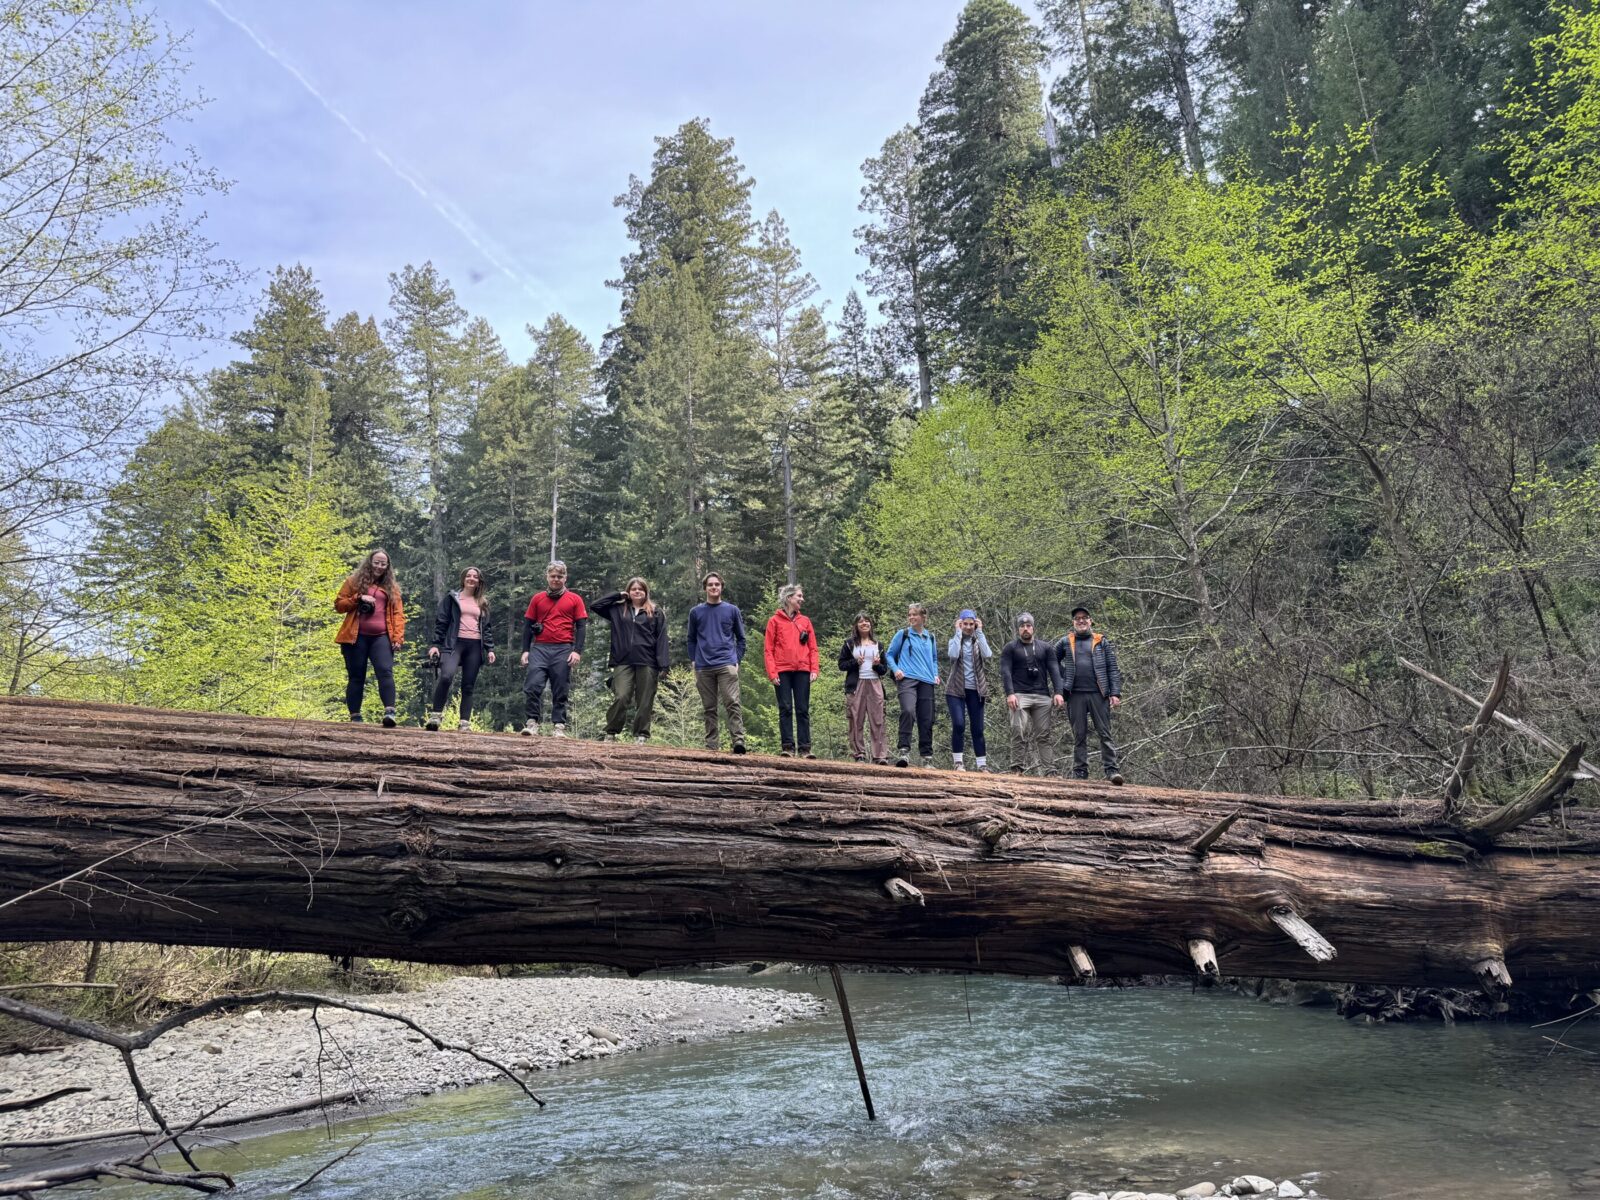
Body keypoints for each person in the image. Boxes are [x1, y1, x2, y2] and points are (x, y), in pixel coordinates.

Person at [592, 577, 669, 743]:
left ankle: (641, 734)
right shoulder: (618, 610)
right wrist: (617, 595)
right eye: (633, 589)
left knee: (645, 699)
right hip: (623, 660)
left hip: (647, 661)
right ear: (628, 591)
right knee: (621, 696)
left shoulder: (655, 611)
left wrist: (663, 664)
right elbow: (596, 606)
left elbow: (662, 638)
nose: (637, 592)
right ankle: (611, 732)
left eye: (640, 589)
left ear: (646, 592)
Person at [1055, 603, 1125, 784]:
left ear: (1090, 621)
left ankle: (1112, 771)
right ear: (1073, 622)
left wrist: (1115, 693)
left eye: (1084, 618)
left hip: (1099, 694)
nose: (1081, 621)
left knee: (1104, 733)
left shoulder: (1102, 641)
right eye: (1077, 619)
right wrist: (1063, 678)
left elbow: (1113, 668)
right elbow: (1051, 662)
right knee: (1079, 735)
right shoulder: (1065, 642)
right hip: (1075, 694)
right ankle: (1080, 773)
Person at [334, 549, 405, 726]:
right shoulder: (353, 582)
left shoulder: (392, 588)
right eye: (376, 562)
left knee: (385, 671)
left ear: (387, 566)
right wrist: (358, 598)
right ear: (369, 562)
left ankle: (390, 712)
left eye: (383, 563)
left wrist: (397, 637)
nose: (379, 566)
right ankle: (355, 716)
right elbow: (339, 605)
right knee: (356, 676)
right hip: (355, 637)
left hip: (381, 637)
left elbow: (398, 614)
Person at [519, 561, 587, 737]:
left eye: (560, 576)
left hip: (563, 648)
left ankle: (559, 725)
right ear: (547, 577)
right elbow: (527, 626)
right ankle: (532, 723)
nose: (556, 579)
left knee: (560, 688)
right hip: (540, 647)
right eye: (553, 576)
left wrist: (577, 651)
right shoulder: (538, 598)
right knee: (533, 685)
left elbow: (581, 626)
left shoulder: (575, 599)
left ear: (565, 577)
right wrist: (525, 650)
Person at [425, 567, 496, 730]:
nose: (471, 579)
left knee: (468, 685)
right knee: (446, 677)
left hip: (475, 645)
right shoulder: (452, 598)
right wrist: (435, 645)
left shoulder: (482, 602)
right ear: (463, 579)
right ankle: (435, 717)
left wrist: (490, 648)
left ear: (479, 581)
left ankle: (464, 723)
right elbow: (441, 622)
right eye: (468, 576)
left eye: (475, 577)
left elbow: (486, 628)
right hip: (454, 644)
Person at [686, 572, 747, 753]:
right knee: (709, 707)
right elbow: (691, 639)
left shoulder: (732, 610)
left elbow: (741, 638)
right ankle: (712, 744)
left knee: (732, 703)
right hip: (703, 665)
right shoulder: (696, 612)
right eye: (710, 585)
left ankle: (738, 741)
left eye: (717, 584)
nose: (714, 587)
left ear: (721, 587)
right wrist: (694, 660)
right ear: (705, 588)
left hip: (726, 663)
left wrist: (737, 659)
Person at [1001, 612, 1064, 776]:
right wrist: (1010, 693)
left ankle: (1050, 770)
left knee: (1044, 734)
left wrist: (1058, 692)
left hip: (1042, 696)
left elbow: (1055, 671)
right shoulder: (1010, 648)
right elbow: (1005, 672)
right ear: (1018, 630)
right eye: (1022, 626)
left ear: (1033, 628)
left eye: (1028, 626)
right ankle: (1016, 768)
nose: (1025, 629)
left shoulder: (1046, 648)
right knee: (1018, 730)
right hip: (1020, 695)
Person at [764, 583, 820, 758]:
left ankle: (805, 748)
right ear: (789, 598)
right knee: (785, 707)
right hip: (782, 670)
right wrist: (772, 673)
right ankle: (787, 747)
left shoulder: (805, 621)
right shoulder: (774, 621)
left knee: (803, 709)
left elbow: (813, 648)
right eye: (799, 596)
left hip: (802, 669)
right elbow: (768, 650)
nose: (802, 599)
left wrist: (814, 668)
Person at [885, 602, 940, 768]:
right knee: (908, 711)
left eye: (915, 614)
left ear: (923, 617)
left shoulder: (930, 637)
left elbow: (935, 658)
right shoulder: (903, 634)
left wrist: (935, 674)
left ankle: (926, 757)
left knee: (926, 719)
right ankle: (904, 751)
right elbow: (889, 655)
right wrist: (896, 670)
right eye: (909, 615)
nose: (911, 617)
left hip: (927, 681)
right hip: (907, 678)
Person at [945, 610, 994, 772]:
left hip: (976, 689)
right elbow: (952, 655)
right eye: (964, 624)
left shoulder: (978, 641)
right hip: (955, 689)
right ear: (960, 624)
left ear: (975, 624)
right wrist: (957, 633)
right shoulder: (954, 640)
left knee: (978, 728)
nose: (968, 627)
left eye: (970, 624)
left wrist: (980, 632)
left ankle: (982, 764)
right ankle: (958, 762)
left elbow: (988, 655)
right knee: (959, 724)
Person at [839, 612, 890, 764]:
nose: (864, 624)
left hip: (875, 683)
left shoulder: (878, 645)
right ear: (856, 625)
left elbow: (884, 669)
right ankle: (858, 754)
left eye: (867, 621)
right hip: (856, 684)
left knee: (878, 719)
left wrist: (876, 665)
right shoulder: (849, 644)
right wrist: (855, 662)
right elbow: (841, 665)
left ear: (871, 624)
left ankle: (879, 755)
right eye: (861, 622)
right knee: (856, 719)